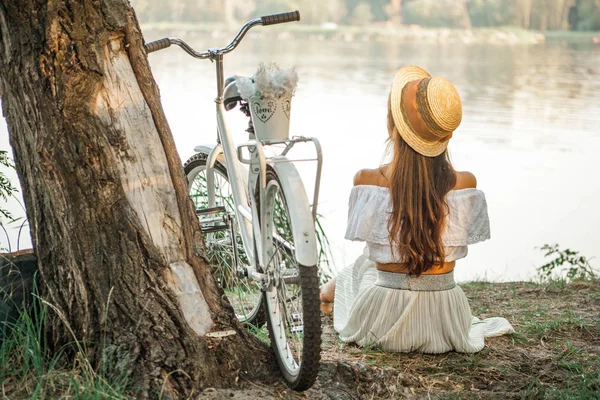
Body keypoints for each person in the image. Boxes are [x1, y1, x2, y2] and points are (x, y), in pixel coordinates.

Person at [320, 66, 514, 353]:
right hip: (446, 319)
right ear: (445, 135)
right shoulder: (466, 184)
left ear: (392, 127)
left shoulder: (367, 181)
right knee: (372, 262)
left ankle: (322, 295)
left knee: (364, 264)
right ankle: (324, 294)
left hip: (381, 320)